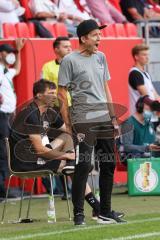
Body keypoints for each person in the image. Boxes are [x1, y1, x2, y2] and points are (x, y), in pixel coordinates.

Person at [58, 19, 125, 225]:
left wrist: (113, 117)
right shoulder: (69, 60)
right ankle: (79, 214)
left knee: (108, 163)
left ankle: (104, 212)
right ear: (83, 38)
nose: (99, 38)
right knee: (84, 164)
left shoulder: (101, 57)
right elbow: (62, 93)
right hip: (82, 118)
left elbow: (105, 88)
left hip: (104, 117)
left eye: (100, 34)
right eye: (95, 35)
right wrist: (67, 122)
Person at [9, 79, 104, 218]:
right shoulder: (30, 114)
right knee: (73, 168)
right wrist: (66, 156)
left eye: (55, 93)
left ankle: (95, 204)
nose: (54, 96)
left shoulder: (49, 112)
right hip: (25, 160)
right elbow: (40, 150)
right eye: (50, 93)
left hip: (39, 155)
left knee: (68, 139)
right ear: (39, 95)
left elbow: (69, 132)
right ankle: (96, 206)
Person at [0, 39, 25, 198]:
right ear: (1, 54)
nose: (11, 55)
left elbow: (17, 69)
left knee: (6, 151)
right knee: (3, 151)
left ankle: (3, 188)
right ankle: (2, 190)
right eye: (9, 52)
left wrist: (19, 51)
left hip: (9, 116)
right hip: (1, 115)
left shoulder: (5, 71)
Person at [120, 96, 160, 166]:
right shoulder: (128, 123)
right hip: (136, 165)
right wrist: (146, 148)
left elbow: (153, 143)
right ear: (140, 106)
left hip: (151, 164)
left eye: (153, 108)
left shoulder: (150, 124)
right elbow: (127, 147)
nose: (152, 110)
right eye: (150, 106)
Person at [129, 43, 160, 116]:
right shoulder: (135, 73)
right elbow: (146, 97)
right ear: (136, 57)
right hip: (140, 119)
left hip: (150, 117)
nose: (147, 57)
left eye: (148, 55)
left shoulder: (145, 74)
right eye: (144, 55)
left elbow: (155, 95)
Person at [41, 36, 72, 107]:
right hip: (56, 107)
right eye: (65, 47)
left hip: (76, 107)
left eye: (70, 46)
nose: (69, 49)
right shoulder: (47, 67)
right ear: (56, 50)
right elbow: (44, 88)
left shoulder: (77, 65)